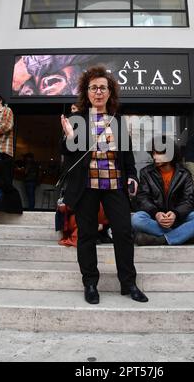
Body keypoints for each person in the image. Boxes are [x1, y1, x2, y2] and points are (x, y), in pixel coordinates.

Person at [60, 65, 148, 304]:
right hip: (86, 186)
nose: (98, 92)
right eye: (93, 88)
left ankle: (128, 283)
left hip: (114, 185)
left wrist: (132, 176)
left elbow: (127, 155)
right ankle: (90, 283)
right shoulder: (76, 119)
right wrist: (69, 137)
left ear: (110, 93)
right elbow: (67, 155)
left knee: (123, 232)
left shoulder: (118, 121)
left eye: (102, 88)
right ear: (86, 92)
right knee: (86, 235)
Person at [131, 137, 194, 246]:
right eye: (154, 153)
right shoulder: (146, 173)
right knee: (137, 219)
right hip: (155, 218)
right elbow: (143, 198)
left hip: (179, 218)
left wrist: (175, 214)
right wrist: (156, 213)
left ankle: (162, 239)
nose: (155, 157)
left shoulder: (184, 174)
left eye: (159, 153)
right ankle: (187, 236)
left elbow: (189, 200)